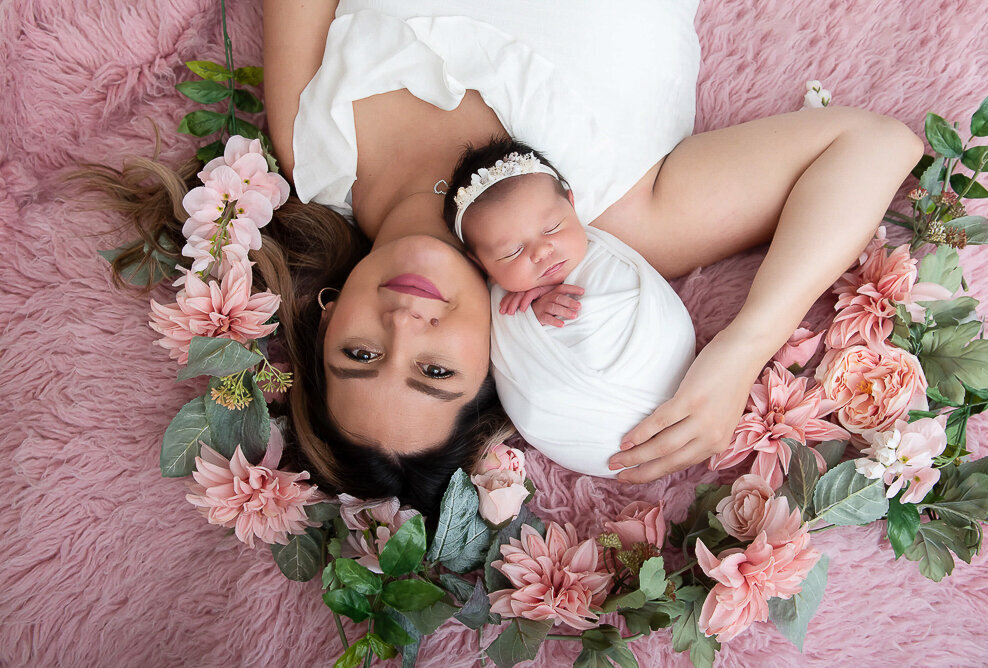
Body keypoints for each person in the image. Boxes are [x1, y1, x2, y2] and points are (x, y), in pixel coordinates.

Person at [95, 0, 922, 513]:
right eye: (433, 371)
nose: (405, 320)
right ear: (493, 360)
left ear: (325, 315)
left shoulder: (311, 141)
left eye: (362, 354)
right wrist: (741, 351)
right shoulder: (605, 218)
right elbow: (874, 145)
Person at [441, 137, 696, 476]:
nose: (541, 252)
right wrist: (528, 320)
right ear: (480, 262)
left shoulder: (606, 256)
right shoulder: (502, 304)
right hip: (586, 431)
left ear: (572, 205)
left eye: (553, 228)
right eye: (510, 253)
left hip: (674, 372)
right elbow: (513, 354)